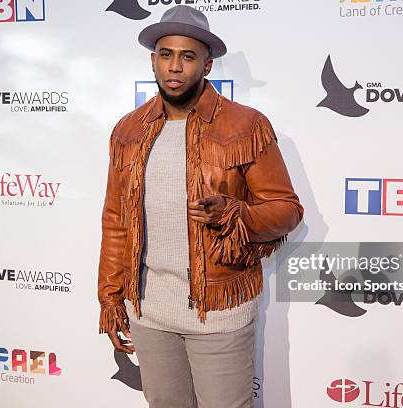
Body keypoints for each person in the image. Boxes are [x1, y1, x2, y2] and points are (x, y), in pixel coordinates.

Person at [97, 5, 303, 407]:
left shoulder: (245, 125)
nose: (175, 67)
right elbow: (116, 221)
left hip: (218, 311)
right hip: (149, 315)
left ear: (207, 66)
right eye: (166, 55)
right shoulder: (128, 130)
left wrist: (233, 213)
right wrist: (110, 297)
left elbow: (287, 209)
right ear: (153, 61)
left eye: (188, 57)